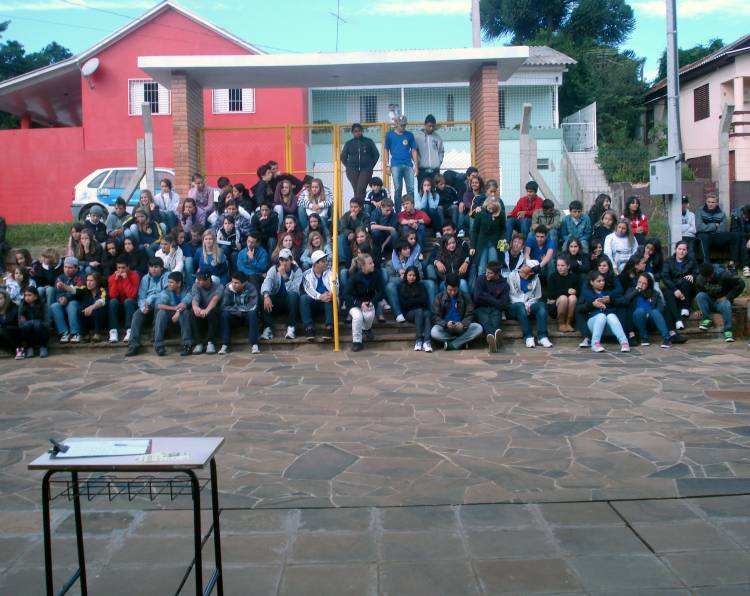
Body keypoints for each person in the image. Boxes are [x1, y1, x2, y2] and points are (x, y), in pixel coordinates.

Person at [577, 270, 630, 353]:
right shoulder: (586, 294)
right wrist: (592, 305)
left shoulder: (608, 293)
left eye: (603, 280)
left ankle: (624, 342)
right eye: (599, 281)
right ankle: (595, 344)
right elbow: (578, 309)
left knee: (611, 316)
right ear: (592, 282)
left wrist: (611, 301)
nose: (602, 283)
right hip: (593, 325)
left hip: (609, 327)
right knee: (601, 316)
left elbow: (624, 302)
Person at [125, 257, 167, 357]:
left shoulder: (167, 276)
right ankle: (133, 345)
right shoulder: (145, 278)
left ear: (161, 268)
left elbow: (166, 294)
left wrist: (151, 298)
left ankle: (157, 343)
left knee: (159, 305)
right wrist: (143, 307)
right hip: (147, 303)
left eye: (156, 267)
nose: (153, 269)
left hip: (161, 303)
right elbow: (141, 296)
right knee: (137, 314)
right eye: (151, 267)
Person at [430, 274, 483, 350]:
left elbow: (470, 314)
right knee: (434, 332)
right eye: (450, 290)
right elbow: (435, 316)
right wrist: (445, 324)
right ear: (446, 287)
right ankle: (461, 342)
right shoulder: (439, 297)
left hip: (462, 328)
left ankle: (452, 344)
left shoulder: (465, 296)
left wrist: (463, 324)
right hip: (446, 328)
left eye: (455, 290)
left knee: (478, 328)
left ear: (458, 287)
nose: (452, 292)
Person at [260, 247, 303, 340]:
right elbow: (267, 282)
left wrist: (284, 276)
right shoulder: (273, 269)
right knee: (264, 296)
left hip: (290, 302)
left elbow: (295, 289)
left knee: (293, 295)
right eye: (281, 260)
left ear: (291, 260)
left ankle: (291, 327)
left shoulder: (297, 271)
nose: (284, 263)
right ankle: (267, 328)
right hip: (276, 302)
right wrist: (266, 295)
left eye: (286, 260)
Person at [695, 262, 745, 342]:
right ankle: (706, 319)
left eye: (710, 276)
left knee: (726, 303)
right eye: (706, 278)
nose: (708, 279)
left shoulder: (725, 275)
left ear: (713, 272)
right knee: (700, 295)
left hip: (722, 303)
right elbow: (699, 292)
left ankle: (728, 331)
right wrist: (699, 308)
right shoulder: (700, 279)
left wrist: (728, 297)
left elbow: (741, 284)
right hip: (710, 302)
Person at [508, 261, 552, 348]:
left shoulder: (536, 279)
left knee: (541, 305)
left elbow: (537, 296)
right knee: (520, 306)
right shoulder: (512, 276)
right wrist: (524, 304)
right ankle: (528, 336)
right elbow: (512, 295)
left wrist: (528, 304)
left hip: (529, 306)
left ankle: (542, 337)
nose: (524, 265)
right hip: (514, 307)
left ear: (531, 272)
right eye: (525, 263)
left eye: (527, 265)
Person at [345, 253, 384, 352]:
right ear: (363, 266)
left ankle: (366, 329)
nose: (373, 265)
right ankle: (357, 341)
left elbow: (381, 292)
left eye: (372, 262)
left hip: (369, 302)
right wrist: (359, 304)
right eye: (370, 263)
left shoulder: (377, 274)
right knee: (358, 317)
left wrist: (372, 302)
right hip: (354, 304)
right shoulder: (354, 276)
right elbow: (346, 294)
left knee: (368, 316)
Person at [623, 273, 672, 348]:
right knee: (640, 311)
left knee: (655, 311)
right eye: (639, 282)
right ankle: (644, 337)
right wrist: (636, 291)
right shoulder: (631, 290)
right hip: (637, 319)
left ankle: (667, 338)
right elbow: (625, 301)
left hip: (651, 320)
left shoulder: (655, 293)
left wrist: (650, 313)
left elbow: (661, 307)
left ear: (648, 284)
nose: (641, 285)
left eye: (644, 283)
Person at [150, 271, 192, 357]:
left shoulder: (188, 289)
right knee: (161, 313)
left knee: (185, 313)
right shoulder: (166, 291)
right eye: (168, 282)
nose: (168, 284)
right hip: (170, 313)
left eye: (171, 282)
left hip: (182, 313)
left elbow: (184, 303)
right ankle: (159, 345)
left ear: (179, 283)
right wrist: (175, 308)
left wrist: (178, 311)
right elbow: (159, 305)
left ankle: (186, 345)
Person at [472, 260, 510, 353]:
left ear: (497, 274)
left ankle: (492, 341)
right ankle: (495, 339)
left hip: (495, 309)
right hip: (480, 308)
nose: (487, 274)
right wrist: (494, 299)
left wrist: (485, 296)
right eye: (486, 271)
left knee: (495, 321)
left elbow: (503, 304)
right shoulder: (481, 279)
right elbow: (477, 297)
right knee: (485, 320)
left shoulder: (504, 285)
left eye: (490, 273)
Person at [220, 271, 259, 355]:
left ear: (243, 283)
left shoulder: (251, 288)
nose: (233, 285)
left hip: (246, 316)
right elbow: (224, 306)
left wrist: (238, 309)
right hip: (234, 316)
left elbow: (253, 305)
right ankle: (225, 344)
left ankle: (254, 344)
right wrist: (237, 311)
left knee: (252, 314)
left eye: (236, 283)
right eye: (232, 282)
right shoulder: (228, 288)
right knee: (224, 314)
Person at [384, 115, 418, 212]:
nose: (403, 127)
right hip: (395, 165)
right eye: (401, 125)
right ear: (396, 124)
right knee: (398, 189)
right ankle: (398, 212)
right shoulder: (389, 135)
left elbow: (414, 150)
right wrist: (387, 165)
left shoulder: (409, 135)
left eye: (404, 125)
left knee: (411, 189)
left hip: (408, 165)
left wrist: (416, 165)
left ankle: (411, 211)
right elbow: (386, 150)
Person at [661, 240, 697, 330]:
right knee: (668, 293)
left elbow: (697, 273)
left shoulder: (691, 261)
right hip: (673, 287)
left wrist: (693, 276)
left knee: (687, 280)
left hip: (687, 288)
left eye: (684, 249)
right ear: (675, 249)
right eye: (679, 249)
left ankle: (685, 307)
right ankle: (678, 320)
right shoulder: (668, 261)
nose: (681, 251)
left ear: (687, 251)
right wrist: (675, 289)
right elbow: (665, 277)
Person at [301, 250, 336, 339]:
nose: (326, 263)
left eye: (326, 260)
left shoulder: (331, 272)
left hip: (327, 303)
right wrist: (320, 296)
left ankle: (329, 328)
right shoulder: (306, 274)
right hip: (314, 302)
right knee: (304, 298)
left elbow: (335, 286)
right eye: (323, 261)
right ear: (315, 264)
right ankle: (309, 328)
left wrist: (331, 294)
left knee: (330, 297)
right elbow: (309, 289)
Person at [470, 197, 506, 281]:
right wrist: (472, 246)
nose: (491, 210)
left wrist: (503, 244)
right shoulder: (480, 213)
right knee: (481, 268)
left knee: (493, 268)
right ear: (486, 205)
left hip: (494, 244)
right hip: (481, 244)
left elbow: (503, 230)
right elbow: (474, 230)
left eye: (493, 208)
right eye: (489, 208)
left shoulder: (501, 214)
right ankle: (481, 285)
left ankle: (493, 286)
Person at [398, 265, 432, 352]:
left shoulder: (420, 286)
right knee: (419, 311)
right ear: (406, 275)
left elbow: (424, 300)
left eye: (414, 275)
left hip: (421, 310)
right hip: (409, 313)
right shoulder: (402, 286)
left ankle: (427, 342)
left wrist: (411, 300)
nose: (412, 277)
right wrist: (417, 300)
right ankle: (419, 340)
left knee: (427, 314)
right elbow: (404, 304)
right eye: (410, 275)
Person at [341, 123, 380, 199]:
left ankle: (358, 205)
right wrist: (348, 166)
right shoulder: (349, 143)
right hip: (352, 170)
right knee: (356, 189)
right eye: (355, 131)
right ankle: (361, 205)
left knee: (361, 188)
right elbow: (343, 157)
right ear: (352, 132)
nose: (357, 133)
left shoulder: (368, 142)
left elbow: (376, 155)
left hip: (366, 169)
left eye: (359, 131)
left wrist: (370, 166)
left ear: (362, 131)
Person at [50, 256, 84, 343]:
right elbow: (58, 292)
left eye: (70, 268)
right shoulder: (60, 278)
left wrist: (66, 298)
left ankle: (75, 333)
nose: (67, 270)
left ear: (76, 268)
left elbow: (78, 292)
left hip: (78, 302)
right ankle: (64, 332)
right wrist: (60, 299)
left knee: (71, 305)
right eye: (65, 267)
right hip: (64, 302)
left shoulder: (80, 277)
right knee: (54, 306)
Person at [107, 256, 140, 343]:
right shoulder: (112, 277)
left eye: (123, 268)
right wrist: (116, 280)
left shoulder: (134, 276)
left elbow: (132, 295)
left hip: (132, 304)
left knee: (128, 301)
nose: (121, 270)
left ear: (128, 267)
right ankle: (113, 331)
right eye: (119, 268)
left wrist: (125, 279)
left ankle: (129, 330)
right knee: (113, 302)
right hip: (119, 304)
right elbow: (112, 295)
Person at [190, 270, 223, 354]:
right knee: (192, 312)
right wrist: (196, 308)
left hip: (213, 309)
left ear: (208, 279)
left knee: (213, 312)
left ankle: (210, 342)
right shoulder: (196, 285)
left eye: (200, 279)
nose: (198, 281)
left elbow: (215, 299)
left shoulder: (219, 286)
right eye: (198, 279)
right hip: (202, 309)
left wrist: (207, 310)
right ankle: (199, 343)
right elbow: (195, 298)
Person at [546, 256, 579, 333]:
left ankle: (568, 323)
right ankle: (561, 324)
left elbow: (578, 292)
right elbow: (551, 295)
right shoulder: (553, 277)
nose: (560, 268)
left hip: (570, 306)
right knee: (563, 298)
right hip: (555, 307)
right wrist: (567, 291)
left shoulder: (573, 277)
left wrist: (574, 292)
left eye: (562, 265)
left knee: (573, 298)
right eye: (558, 265)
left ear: (568, 266)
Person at [74, 272, 107, 342]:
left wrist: (92, 307)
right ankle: (85, 334)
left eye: (91, 281)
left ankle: (97, 333)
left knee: (96, 309)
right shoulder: (85, 290)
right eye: (87, 280)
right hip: (89, 320)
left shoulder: (103, 290)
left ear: (97, 282)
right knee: (80, 310)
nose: (88, 283)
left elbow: (102, 301)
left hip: (101, 319)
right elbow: (74, 290)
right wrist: (63, 286)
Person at [414, 114, 445, 188]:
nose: (431, 128)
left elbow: (441, 151)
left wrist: (439, 162)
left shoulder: (437, 137)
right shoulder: (417, 137)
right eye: (429, 126)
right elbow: (413, 151)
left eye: (433, 126)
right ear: (425, 125)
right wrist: (417, 162)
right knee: (422, 191)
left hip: (435, 171)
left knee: (435, 191)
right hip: (422, 170)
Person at [18, 287, 49, 358]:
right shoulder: (22, 305)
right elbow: (20, 324)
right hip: (29, 332)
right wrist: (31, 323)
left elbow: (47, 323)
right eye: (25, 295)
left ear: (35, 297)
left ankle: (43, 346)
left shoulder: (43, 304)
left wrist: (34, 322)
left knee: (37, 324)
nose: (27, 297)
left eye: (29, 295)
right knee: (26, 326)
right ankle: (29, 347)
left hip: (41, 331)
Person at [339, 198, 370, 266]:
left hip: (360, 235)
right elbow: (342, 227)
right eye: (351, 207)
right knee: (341, 237)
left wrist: (355, 219)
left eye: (355, 207)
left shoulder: (365, 216)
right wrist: (349, 233)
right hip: (349, 235)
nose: (353, 209)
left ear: (360, 208)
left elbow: (365, 229)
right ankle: (344, 263)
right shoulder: (346, 215)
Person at [730, 203, 750, 277]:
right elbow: (735, 231)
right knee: (742, 239)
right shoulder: (736, 215)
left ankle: (745, 265)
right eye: (745, 216)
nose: (746, 218)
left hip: (747, 236)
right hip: (739, 237)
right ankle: (746, 266)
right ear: (742, 213)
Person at [0, 290, 20, 357]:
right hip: (3, 337)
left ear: (6, 299)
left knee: (3, 329)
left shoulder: (13, 307)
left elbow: (10, 321)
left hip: (14, 333)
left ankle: (19, 351)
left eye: (0, 299)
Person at [680, 195, 697, 260]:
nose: (683, 205)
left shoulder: (692, 215)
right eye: (681, 203)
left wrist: (683, 228)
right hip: (680, 237)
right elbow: (678, 229)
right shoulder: (676, 215)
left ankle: (692, 264)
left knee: (691, 251)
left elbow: (694, 230)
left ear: (687, 204)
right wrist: (688, 225)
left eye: (685, 203)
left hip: (690, 237)